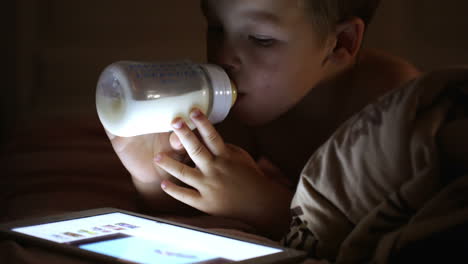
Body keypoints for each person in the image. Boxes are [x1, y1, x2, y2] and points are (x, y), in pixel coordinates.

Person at [106, 0, 420, 241]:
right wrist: (153, 173)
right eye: (216, 28)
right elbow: (194, 200)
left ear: (340, 43)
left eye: (260, 39)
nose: (224, 55)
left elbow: (368, 236)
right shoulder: (249, 103)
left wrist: (263, 206)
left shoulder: (390, 109)